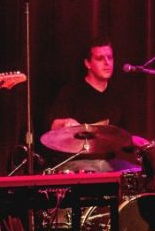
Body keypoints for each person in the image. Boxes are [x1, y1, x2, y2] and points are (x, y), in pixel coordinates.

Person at [45, 36, 142, 173]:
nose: (107, 63)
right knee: (96, 169)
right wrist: (65, 122)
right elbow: (52, 125)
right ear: (88, 63)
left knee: (139, 173)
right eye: (100, 58)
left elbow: (121, 137)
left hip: (109, 163)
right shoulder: (71, 92)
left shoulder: (118, 95)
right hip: (76, 163)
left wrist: (136, 141)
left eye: (110, 57)